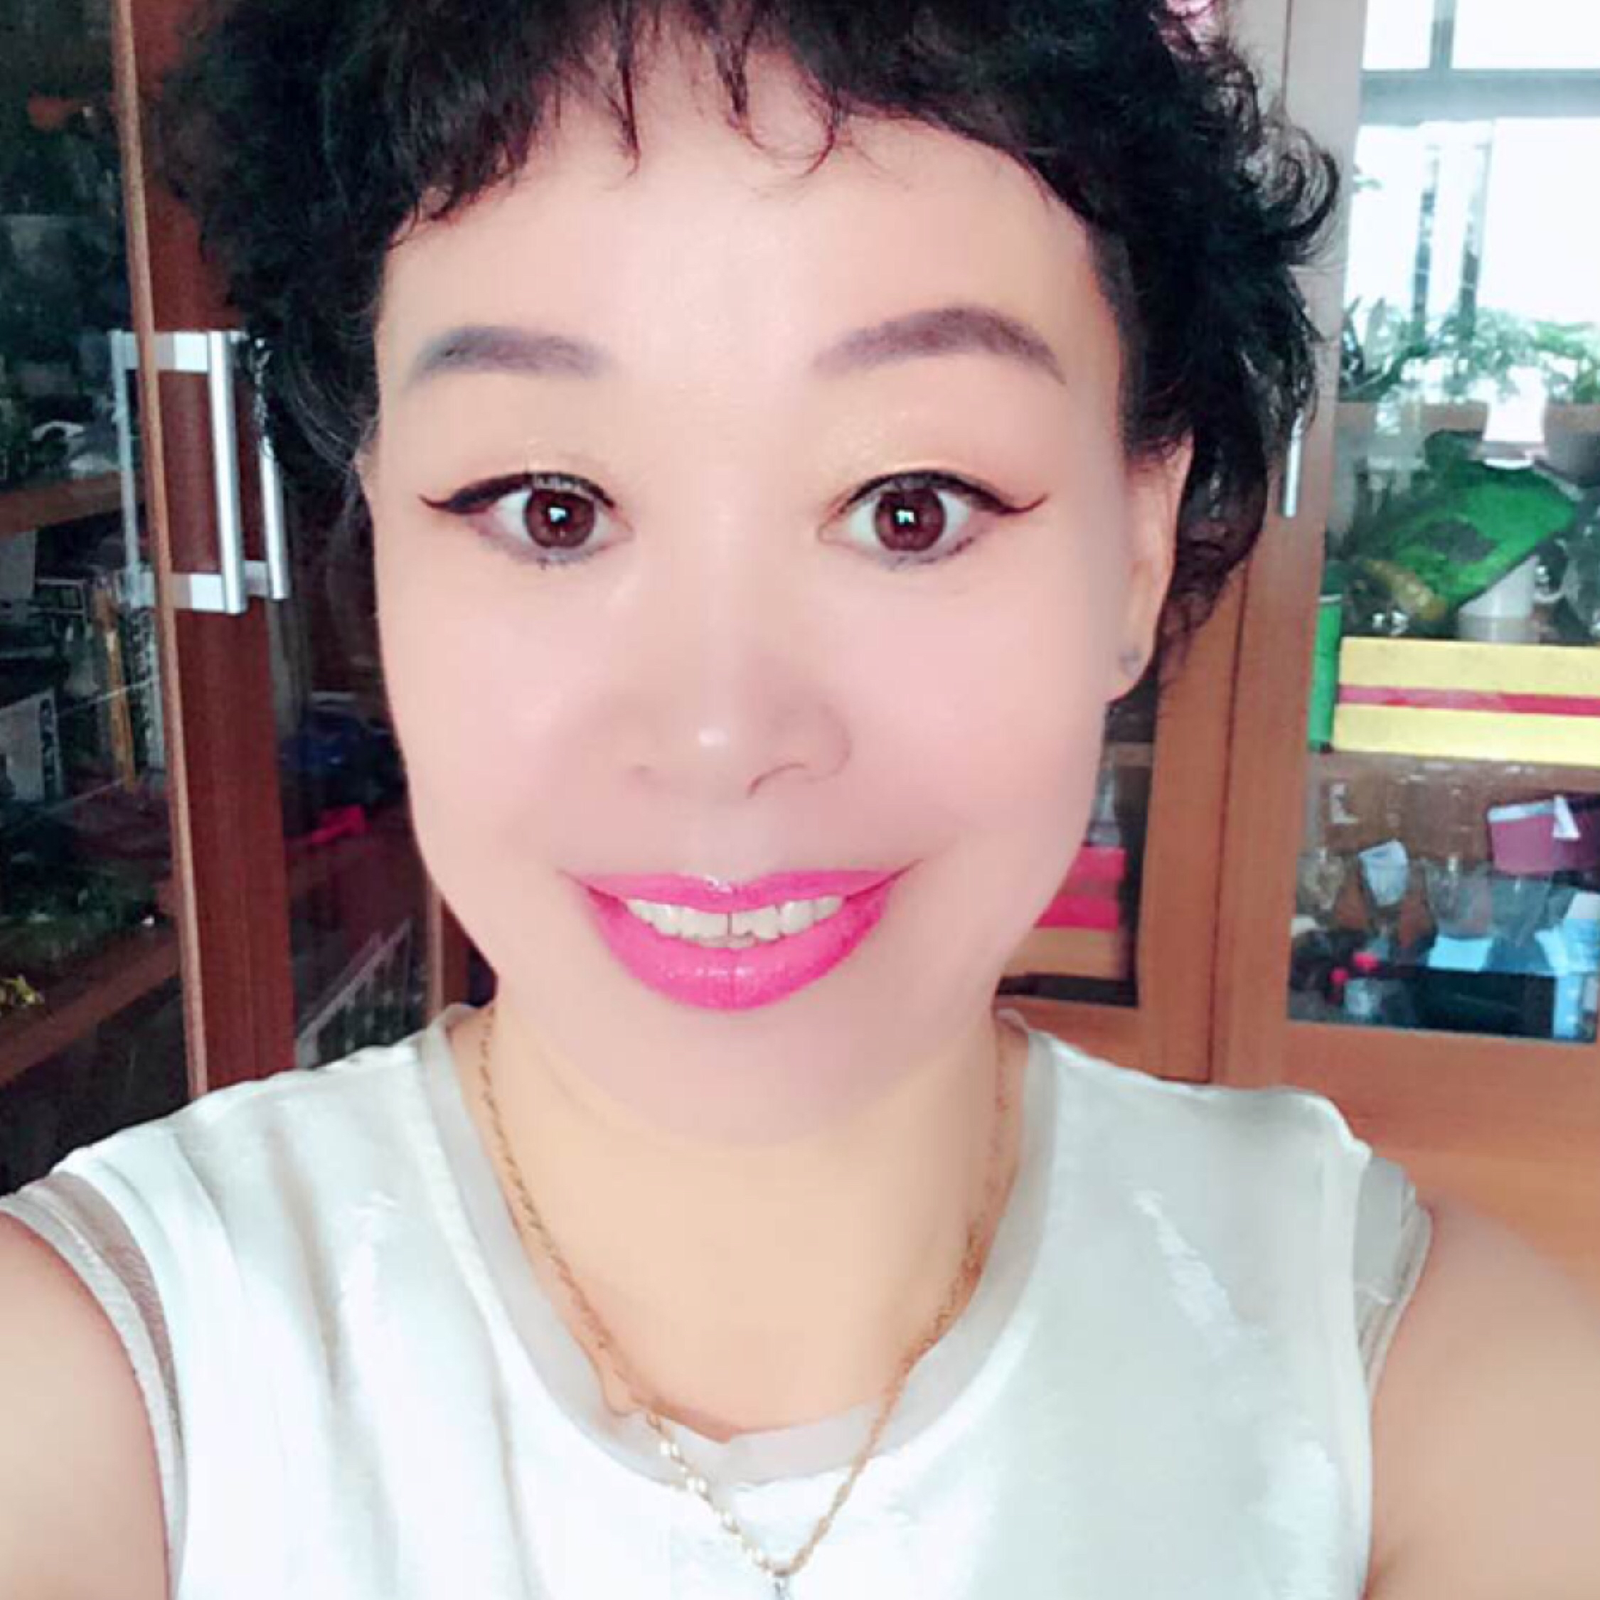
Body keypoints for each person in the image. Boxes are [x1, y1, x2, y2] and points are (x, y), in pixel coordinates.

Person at [4, 1, 1600, 1595]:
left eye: (911, 508)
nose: (720, 733)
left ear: (1133, 551)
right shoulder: (101, 1377)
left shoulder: (1410, 1384)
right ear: (378, 544)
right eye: (550, 508)